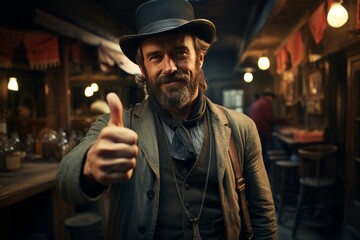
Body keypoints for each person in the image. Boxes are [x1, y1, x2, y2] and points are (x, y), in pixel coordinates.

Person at [57, 0, 278, 239]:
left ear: (199, 58)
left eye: (180, 53)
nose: (169, 67)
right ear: (142, 69)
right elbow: (65, 181)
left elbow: (263, 214)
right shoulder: (119, 126)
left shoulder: (241, 128)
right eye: (155, 57)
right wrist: (89, 167)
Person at [248, 88, 286, 169]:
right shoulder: (266, 103)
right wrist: (283, 120)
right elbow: (270, 119)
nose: (272, 100)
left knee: (259, 154)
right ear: (269, 96)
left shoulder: (256, 102)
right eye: (272, 98)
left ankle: (261, 171)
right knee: (263, 153)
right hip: (262, 132)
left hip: (254, 132)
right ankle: (265, 172)